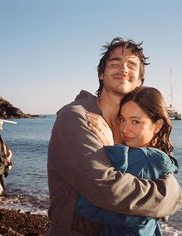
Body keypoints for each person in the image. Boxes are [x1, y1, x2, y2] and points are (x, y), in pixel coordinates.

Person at [47, 37, 182, 235]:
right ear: (101, 74)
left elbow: (158, 170)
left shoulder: (131, 125)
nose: (123, 69)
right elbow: (106, 189)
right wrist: (168, 198)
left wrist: (172, 194)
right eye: (115, 63)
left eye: (131, 65)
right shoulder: (76, 118)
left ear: (139, 81)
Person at [75, 86, 179, 236]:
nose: (124, 129)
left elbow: (90, 205)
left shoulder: (145, 158)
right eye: (122, 119)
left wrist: (110, 147)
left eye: (135, 122)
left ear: (157, 125)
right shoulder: (153, 156)